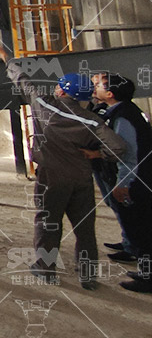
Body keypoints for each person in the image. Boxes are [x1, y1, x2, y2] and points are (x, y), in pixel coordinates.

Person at [0, 46, 126, 290]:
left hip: (50, 178)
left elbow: (23, 81)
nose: (55, 87)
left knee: (48, 224)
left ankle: (45, 269)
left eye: (59, 85)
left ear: (64, 91)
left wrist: (5, 58)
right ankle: (87, 276)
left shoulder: (43, 104)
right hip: (81, 179)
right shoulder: (91, 120)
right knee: (85, 229)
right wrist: (97, 153)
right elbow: (118, 148)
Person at [84, 73, 152, 293]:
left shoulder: (122, 117)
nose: (95, 88)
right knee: (140, 229)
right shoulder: (124, 110)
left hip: (137, 181)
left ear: (110, 94)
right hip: (139, 178)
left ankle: (148, 278)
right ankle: (144, 269)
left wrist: (123, 184)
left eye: (98, 86)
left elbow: (129, 156)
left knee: (143, 231)